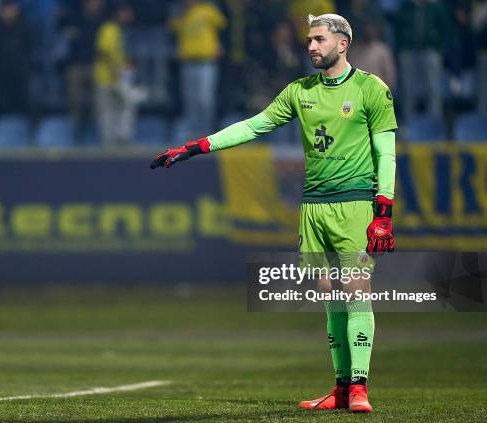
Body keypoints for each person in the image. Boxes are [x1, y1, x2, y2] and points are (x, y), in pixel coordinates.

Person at [151, 13, 397, 414]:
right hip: (314, 207)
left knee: (356, 294)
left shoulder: (372, 89)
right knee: (329, 296)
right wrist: (196, 147)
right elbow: (253, 127)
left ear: (342, 43)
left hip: (355, 204)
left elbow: (386, 152)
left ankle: (360, 388)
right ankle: (339, 387)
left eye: (319, 39)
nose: (311, 46)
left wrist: (383, 210)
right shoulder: (299, 91)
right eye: (309, 40)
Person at [169, 0, 227, 138]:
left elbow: (223, 28)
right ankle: (193, 133)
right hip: (187, 62)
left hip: (206, 61)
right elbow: (172, 32)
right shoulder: (180, 14)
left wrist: (220, 45)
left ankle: (207, 131)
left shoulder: (208, 10)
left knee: (205, 99)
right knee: (190, 101)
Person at [93, 2, 138, 146]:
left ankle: (121, 141)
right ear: (119, 13)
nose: (129, 16)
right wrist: (117, 72)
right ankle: (109, 146)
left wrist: (126, 66)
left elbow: (116, 54)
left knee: (124, 108)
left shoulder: (118, 30)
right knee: (108, 114)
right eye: (127, 12)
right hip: (107, 78)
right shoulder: (109, 29)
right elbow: (104, 52)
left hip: (116, 78)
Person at [61, 0, 104, 126]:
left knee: (98, 96)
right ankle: (75, 123)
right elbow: (62, 29)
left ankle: (95, 124)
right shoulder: (74, 17)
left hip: (96, 65)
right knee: (74, 94)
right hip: (76, 64)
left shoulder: (104, 20)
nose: (94, 4)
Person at [0, 0, 33, 115]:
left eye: (9, 10)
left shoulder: (24, 27)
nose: (6, 13)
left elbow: (30, 47)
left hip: (20, 69)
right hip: (2, 70)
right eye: (4, 10)